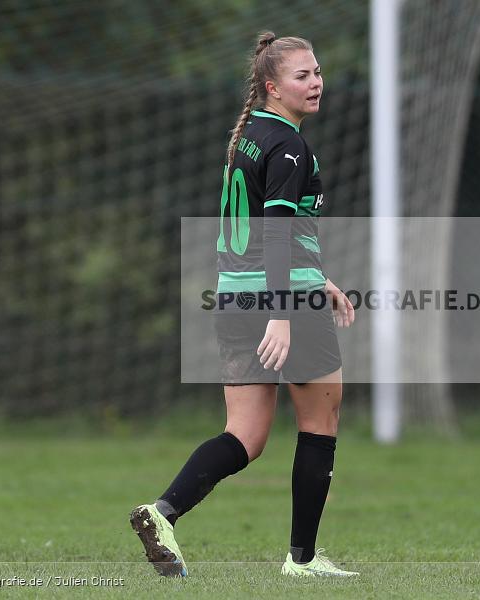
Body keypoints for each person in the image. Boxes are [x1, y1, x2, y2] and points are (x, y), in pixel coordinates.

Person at [130, 31, 358, 579]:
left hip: (235, 296)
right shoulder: (290, 146)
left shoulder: (250, 138)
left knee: (246, 436)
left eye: (318, 72)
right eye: (302, 76)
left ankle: (162, 513)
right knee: (321, 420)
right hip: (283, 304)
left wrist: (316, 276)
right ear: (272, 86)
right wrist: (284, 310)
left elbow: (268, 231)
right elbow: (276, 235)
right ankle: (301, 560)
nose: (316, 82)